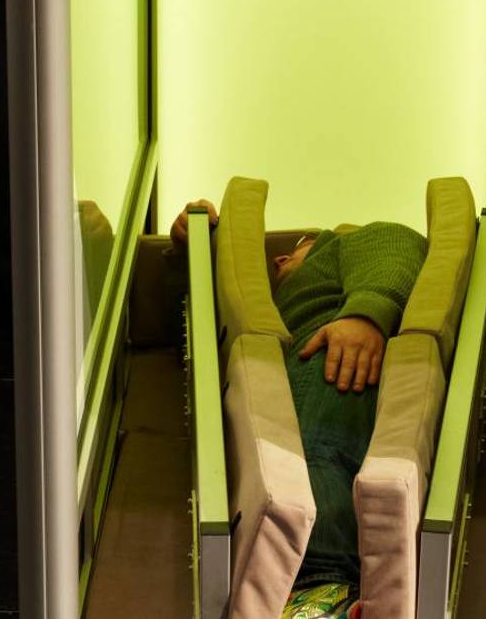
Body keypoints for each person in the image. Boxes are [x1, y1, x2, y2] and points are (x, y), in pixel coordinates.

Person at [171, 199, 428, 618]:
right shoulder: (275, 310)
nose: (279, 259)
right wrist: (194, 242)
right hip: (307, 383)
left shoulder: (346, 247)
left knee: (314, 472)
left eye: (301, 246)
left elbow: (395, 241)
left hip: (329, 367)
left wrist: (365, 315)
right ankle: (323, 599)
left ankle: (321, 597)